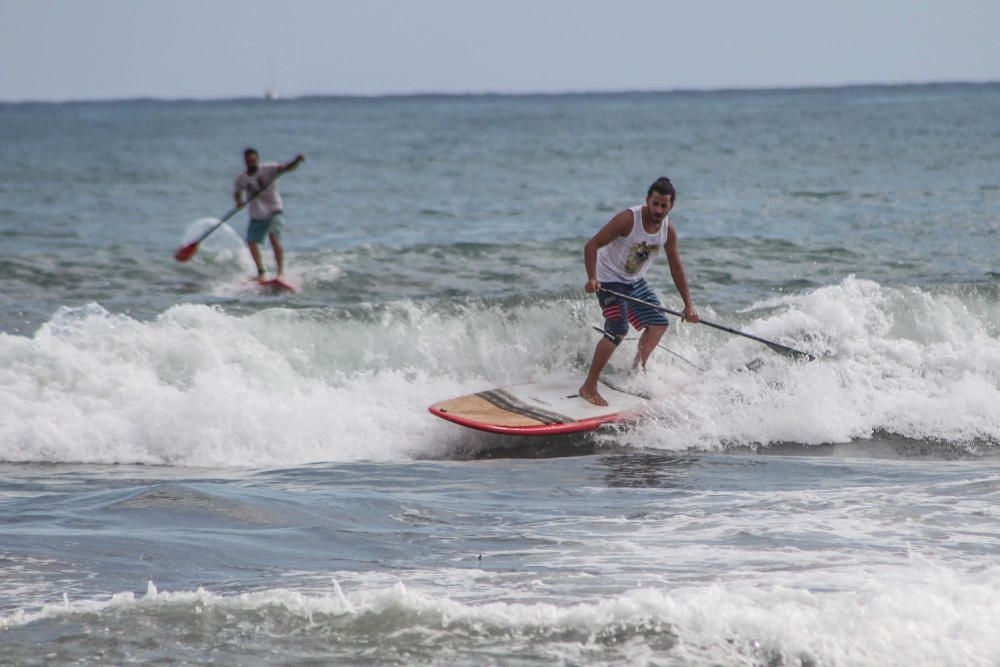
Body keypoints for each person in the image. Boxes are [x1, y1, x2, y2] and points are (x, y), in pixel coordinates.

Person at [579, 177, 699, 406]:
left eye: (664, 206)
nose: (658, 210)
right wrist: (592, 278)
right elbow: (591, 245)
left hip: (633, 281)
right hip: (608, 280)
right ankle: (589, 386)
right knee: (617, 329)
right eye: (655, 204)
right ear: (647, 200)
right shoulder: (628, 220)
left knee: (659, 323)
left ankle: (635, 372)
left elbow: (676, 267)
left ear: (671, 206)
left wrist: (688, 305)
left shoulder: (667, 230)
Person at [233, 148, 305, 280]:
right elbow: (237, 192)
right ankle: (261, 272)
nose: (251, 163)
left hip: (274, 210)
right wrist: (239, 202)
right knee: (251, 242)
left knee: (273, 237)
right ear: (245, 162)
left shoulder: (268, 169)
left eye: (253, 160)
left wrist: (296, 161)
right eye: (248, 161)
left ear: (258, 159)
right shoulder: (242, 178)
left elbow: (287, 168)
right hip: (257, 214)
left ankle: (280, 273)